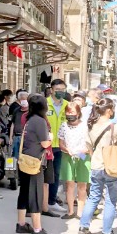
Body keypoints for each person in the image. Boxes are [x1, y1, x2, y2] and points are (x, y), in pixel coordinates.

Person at [78, 99, 117, 234]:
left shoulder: (90, 126)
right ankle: (107, 232)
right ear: (109, 110)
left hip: (96, 165)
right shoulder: (114, 127)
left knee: (93, 198)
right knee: (110, 200)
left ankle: (83, 227)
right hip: (111, 167)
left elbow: (89, 148)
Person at [15, 94, 57, 234]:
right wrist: (51, 137)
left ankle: (21, 223)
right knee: (36, 196)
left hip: (25, 159)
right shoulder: (39, 121)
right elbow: (45, 143)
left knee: (24, 193)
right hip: (34, 162)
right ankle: (37, 229)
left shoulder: (28, 119)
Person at [57, 102, 90, 219]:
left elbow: (90, 144)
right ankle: (70, 211)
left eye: (72, 112)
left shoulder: (85, 126)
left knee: (82, 184)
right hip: (68, 155)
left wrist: (82, 151)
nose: (69, 114)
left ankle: (81, 212)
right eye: (68, 112)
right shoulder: (63, 126)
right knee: (69, 184)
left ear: (78, 113)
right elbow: (61, 143)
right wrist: (67, 150)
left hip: (82, 156)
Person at [45, 79, 69, 214]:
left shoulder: (67, 105)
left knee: (55, 175)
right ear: (52, 90)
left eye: (63, 89)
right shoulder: (45, 104)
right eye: (57, 89)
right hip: (46, 145)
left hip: (60, 146)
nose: (60, 92)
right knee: (43, 176)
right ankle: (41, 202)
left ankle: (52, 201)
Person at [9, 91, 29, 160]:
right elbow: (13, 124)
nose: (23, 101)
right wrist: (11, 137)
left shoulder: (30, 111)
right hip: (16, 137)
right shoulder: (16, 111)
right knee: (15, 156)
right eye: (22, 99)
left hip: (26, 138)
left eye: (25, 99)